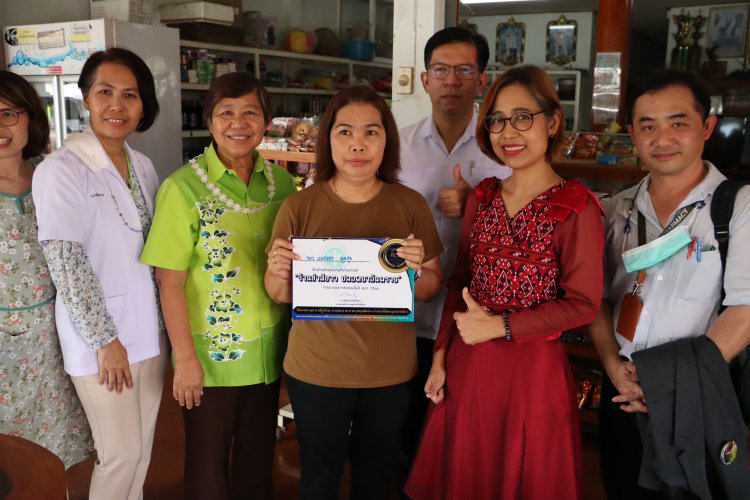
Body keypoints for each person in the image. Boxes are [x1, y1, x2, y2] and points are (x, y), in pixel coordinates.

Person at [405, 65, 604, 500]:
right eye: (496, 119)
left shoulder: (577, 206)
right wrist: (439, 357)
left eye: (522, 117)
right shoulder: (485, 195)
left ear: (551, 122)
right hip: (469, 366)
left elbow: (583, 304)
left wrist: (500, 327)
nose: (507, 131)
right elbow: (460, 282)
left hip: (531, 373)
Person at [265, 85, 443, 499]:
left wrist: (416, 272)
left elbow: (434, 287)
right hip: (317, 369)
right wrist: (278, 269)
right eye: (344, 132)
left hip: (390, 370)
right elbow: (277, 292)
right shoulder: (299, 207)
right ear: (329, 139)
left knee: (375, 476)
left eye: (371, 132)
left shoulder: (410, 205)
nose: (357, 144)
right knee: (319, 476)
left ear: (387, 141)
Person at [588, 69, 750, 499]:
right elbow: (597, 299)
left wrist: (665, 383)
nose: (662, 139)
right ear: (632, 136)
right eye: (648, 126)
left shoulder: (738, 205)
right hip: (621, 385)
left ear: (707, 127)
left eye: (678, 123)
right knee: (621, 486)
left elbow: (745, 310)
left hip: (698, 392)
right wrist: (611, 368)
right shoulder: (614, 210)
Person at [140, 72, 297, 500]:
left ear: (267, 121)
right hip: (212, 360)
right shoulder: (182, 188)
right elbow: (167, 280)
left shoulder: (281, 185)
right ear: (210, 121)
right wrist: (185, 360)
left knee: (256, 461)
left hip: (268, 354)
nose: (238, 123)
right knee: (207, 469)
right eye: (226, 112)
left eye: (250, 112)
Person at [32, 48, 167, 499]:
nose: (117, 105)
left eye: (130, 95)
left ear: (143, 104)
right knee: (120, 456)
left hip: (149, 333)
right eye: (105, 92)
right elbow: (66, 262)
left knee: (144, 452)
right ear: (85, 99)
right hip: (102, 341)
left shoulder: (143, 165)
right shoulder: (60, 170)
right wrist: (105, 342)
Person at [397, 26, 512, 472]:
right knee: (405, 435)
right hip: (404, 316)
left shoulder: (504, 148)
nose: (451, 80)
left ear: (482, 80)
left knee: (464, 439)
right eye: (440, 70)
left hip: (474, 320)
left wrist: (477, 205)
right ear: (425, 80)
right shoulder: (396, 146)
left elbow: (527, 223)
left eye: (464, 70)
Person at [0, 70, 93, 468]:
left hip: (59, 336)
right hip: (5, 351)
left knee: (54, 451)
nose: (0, 126)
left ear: (30, 118)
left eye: (9, 113)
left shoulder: (52, 173)